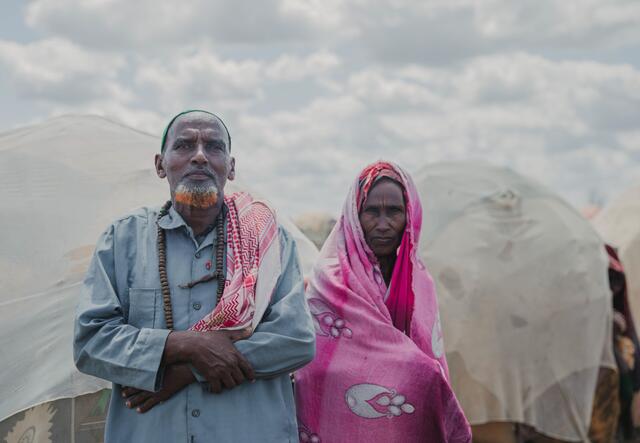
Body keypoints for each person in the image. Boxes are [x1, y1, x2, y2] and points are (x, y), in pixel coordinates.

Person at [73, 110, 315, 442]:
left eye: (214, 147)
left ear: (230, 167)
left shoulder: (268, 241)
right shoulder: (123, 240)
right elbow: (91, 342)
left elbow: (296, 339)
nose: (199, 156)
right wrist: (186, 344)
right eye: (185, 145)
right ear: (161, 164)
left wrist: (189, 371)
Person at [295, 161, 471, 442]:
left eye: (394, 212)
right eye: (372, 212)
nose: (383, 225)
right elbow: (314, 366)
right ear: (355, 215)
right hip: (335, 421)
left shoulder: (419, 284)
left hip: (402, 425)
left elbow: (432, 360)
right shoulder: (329, 282)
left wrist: (416, 374)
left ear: (410, 216)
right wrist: (413, 369)